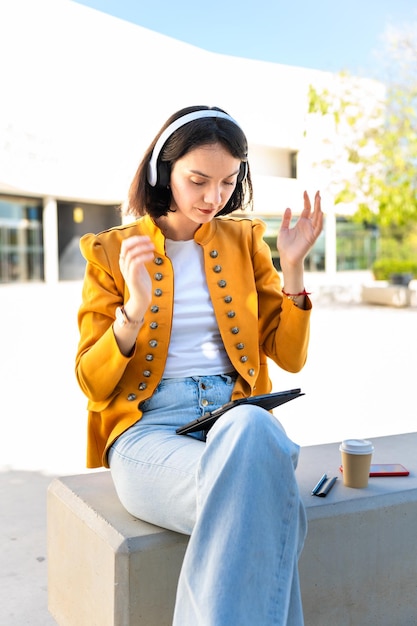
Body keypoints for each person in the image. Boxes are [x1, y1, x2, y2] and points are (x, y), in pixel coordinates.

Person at [76, 104, 323, 625]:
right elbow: (92, 382)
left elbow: (291, 357)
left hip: (234, 421)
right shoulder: (113, 251)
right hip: (148, 433)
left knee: (255, 425)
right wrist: (134, 311)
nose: (215, 198)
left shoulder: (245, 241)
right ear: (160, 172)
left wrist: (294, 267)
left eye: (229, 182)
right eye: (198, 180)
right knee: (273, 504)